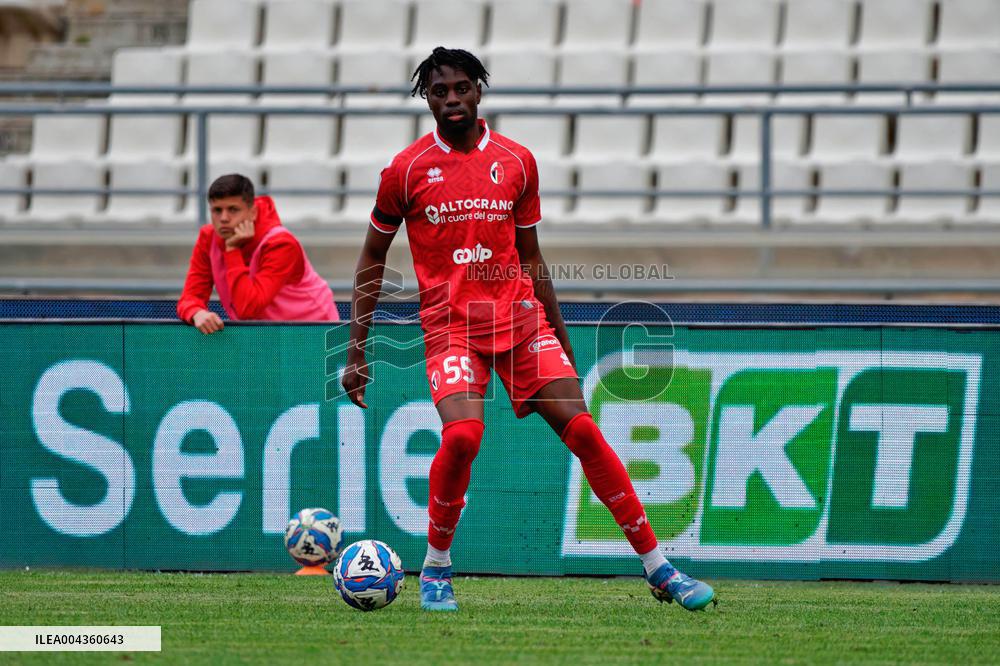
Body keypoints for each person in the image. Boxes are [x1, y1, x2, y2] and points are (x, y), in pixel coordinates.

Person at [341, 47, 714, 612]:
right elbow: (372, 257)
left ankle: (660, 569)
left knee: (585, 432)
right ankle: (436, 567)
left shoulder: (517, 161)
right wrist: (356, 351)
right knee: (463, 437)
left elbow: (533, 257)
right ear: (427, 99)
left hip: (520, 322)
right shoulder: (406, 170)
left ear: (479, 91)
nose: (452, 100)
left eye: (461, 88)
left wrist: (560, 337)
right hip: (450, 329)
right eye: (440, 92)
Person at [176, 174, 339, 332]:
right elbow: (190, 297)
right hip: (264, 336)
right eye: (217, 210)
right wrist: (196, 313)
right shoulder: (208, 237)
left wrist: (232, 250)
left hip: (315, 333)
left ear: (252, 212)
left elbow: (248, 308)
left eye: (233, 209)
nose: (224, 218)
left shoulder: (281, 244)